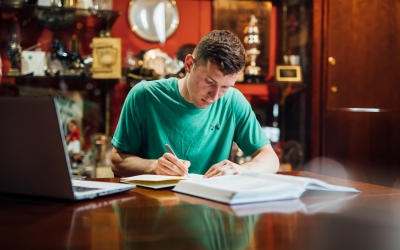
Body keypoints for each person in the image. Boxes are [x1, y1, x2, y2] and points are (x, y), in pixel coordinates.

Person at [111, 30, 279, 178]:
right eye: (209, 82)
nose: (215, 96)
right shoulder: (144, 95)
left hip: (211, 207)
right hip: (152, 206)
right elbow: (117, 161)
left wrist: (242, 170)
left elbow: (270, 159)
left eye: (225, 87)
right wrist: (153, 166)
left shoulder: (233, 101)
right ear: (189, 64)